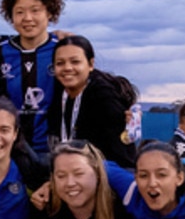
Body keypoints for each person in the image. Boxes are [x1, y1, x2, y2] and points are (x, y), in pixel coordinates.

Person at [0, 0, 66, 155]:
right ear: (11, 16)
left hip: (54, 151)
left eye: (35, 10)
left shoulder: (62, 49)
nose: (27, 18)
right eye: (20, 12)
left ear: (49, 13)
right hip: (11, 151)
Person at [47, 35, 137, 166]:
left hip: (108, 173)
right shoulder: (56, 94)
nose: (67, 68)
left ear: (90, 64)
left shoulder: (104, 98)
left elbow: (121, 157)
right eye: (60, 63)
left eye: (75, 62)